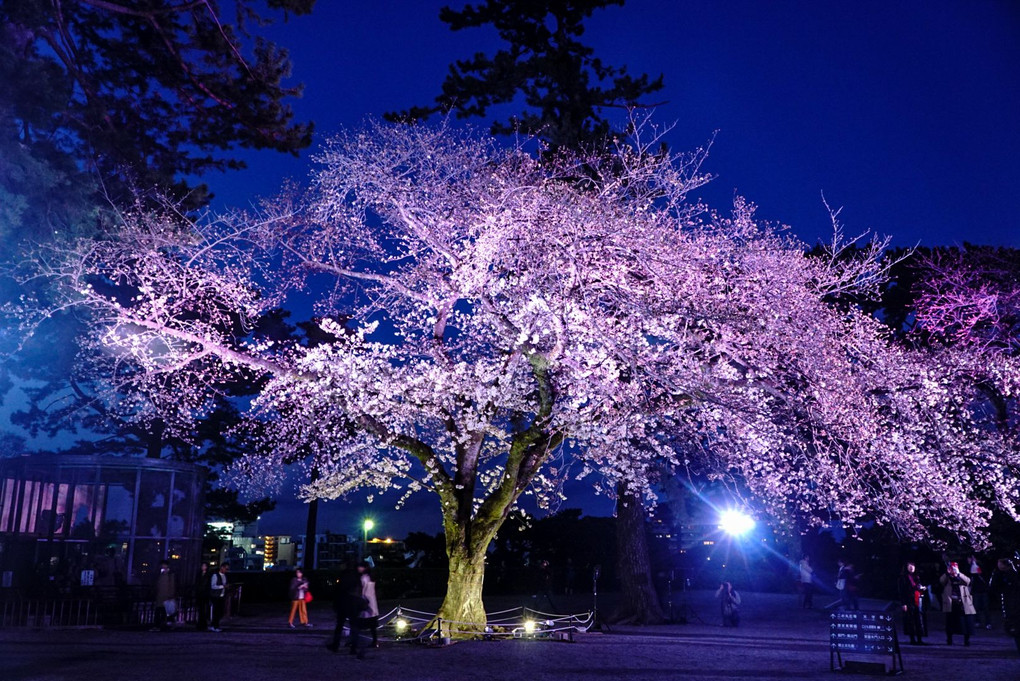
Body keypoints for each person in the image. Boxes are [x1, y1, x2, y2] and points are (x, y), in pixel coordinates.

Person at [327, 565, 364, 654]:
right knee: (354, 626)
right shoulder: (356, 576)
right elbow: (359, 589)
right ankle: (353, 648)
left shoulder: (343, 576)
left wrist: (335, 604)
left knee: (339, 626)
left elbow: (337, 591)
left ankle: (336, 645)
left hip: (343, 603)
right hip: (353, 604)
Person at [988, 557, 1020, 653]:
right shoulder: (1006, 575)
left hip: (1013, 604)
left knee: (1015, 626)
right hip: (1011, 603)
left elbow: (994, 587)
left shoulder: (1011, 575)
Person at [939, 561, 975, 645]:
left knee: (966, 623)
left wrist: (958, 574)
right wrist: (947, 573)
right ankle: (949, 639)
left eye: (954, 568)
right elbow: (941, 581)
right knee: (950, 622)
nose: (953, 570)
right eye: (952, 569)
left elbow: (968, 581)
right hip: (951, 602)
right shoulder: (947, 577)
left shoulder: (961, 576)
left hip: (963, 602)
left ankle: (966, 640)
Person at [897, 562, 928, 645]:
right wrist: (903, 603)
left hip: (918, 600)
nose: (912, 568)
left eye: (913, 566)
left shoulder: (917, 576)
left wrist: (922, 588)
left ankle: (920, 639)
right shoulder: (903, 578)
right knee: (910, 620)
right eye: (910, 567)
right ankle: (912, 639)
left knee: (919, 620)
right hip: (909, 601)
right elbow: (901, 591)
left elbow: (919, 587)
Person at [354, 561, 379, 657]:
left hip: (365, 602)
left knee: (359, 623)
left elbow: (361, 591)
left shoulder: (363, 578)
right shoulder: (371, 577)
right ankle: (375, 641)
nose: (358, 568)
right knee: (373, 625)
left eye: (360, 567)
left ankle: (356, 642)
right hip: (372, 602)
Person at [967, 554, 992, 630]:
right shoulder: (969, 567)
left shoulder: (980, 565)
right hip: (976, 590)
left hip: (983, 589)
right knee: (976, 607)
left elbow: (984, 574)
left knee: (985, 607)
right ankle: (977, 621)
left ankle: (988, 622)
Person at [153, 560, 176, 631]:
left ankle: (161, 625)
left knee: (163, 611)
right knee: (161, 611)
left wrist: (170, 595)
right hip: (161, 596)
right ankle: (160, 625)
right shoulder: (162, 574)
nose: (163, 566)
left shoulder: (169, 575)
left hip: (165, 596)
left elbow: (172, 586)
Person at [209, 562, 229, 632]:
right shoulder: (215, 575)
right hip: (216, 596)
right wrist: (222, 586)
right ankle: (215, 626)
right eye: (226, 569)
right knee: (217, 612)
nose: (226, 570)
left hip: (221, 596)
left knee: (220, 612)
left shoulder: (224, 576)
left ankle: (213, 625)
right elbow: (213, 586)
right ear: (222, 568)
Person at [194, 562, 210, 631]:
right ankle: (200, 624)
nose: (203, 567)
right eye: (202, 566)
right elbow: (197, 584)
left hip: (205, 594)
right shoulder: (199, 574)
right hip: (200, 594)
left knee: (204, 610)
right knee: (200, 610)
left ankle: (203, 624)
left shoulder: (208, 575)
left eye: (204, 566)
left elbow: (208, 585)